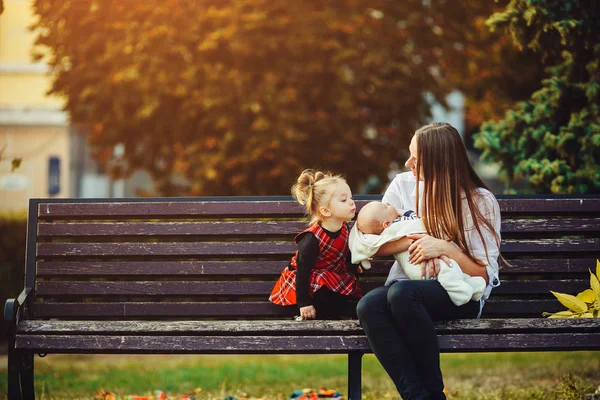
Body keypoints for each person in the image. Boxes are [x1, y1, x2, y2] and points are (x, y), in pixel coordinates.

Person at [356, 122, 502, 400]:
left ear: (440, 163)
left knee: (402, 295)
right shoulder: (403, 184)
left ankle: (433, 393)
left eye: (417, 159)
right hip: (409, 286)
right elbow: (374, 244)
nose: (408, 162)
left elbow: (483, 276)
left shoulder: (479, 202)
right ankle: (417, 396)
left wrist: (445, 249)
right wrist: (419, 242)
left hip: (461, 293)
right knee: (369, 305)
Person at [349, 201, 486, 306]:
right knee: (369, 305)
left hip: (433, 263)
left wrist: (440, 246)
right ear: (386, 224)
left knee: (446, 272)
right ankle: (460, 292)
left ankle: (470, 286)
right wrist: (418, 240)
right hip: (417, 264)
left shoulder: (396, 217)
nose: (389, 204)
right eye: (386, 207)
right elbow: (370, 242)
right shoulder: (391, 228)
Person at [269, 169, 362, 320]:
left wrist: (355, 263)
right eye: (344, 200)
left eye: (351, 198)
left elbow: (344, 253)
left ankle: (332, 311)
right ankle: (305, 313)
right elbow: (302, 273)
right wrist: (304, 303)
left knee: (342, 283)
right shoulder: (312, 240)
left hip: (329, 279)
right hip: (306, 286)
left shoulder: (345, 228)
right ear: (325, 211)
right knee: (323, 283)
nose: (352, 202)